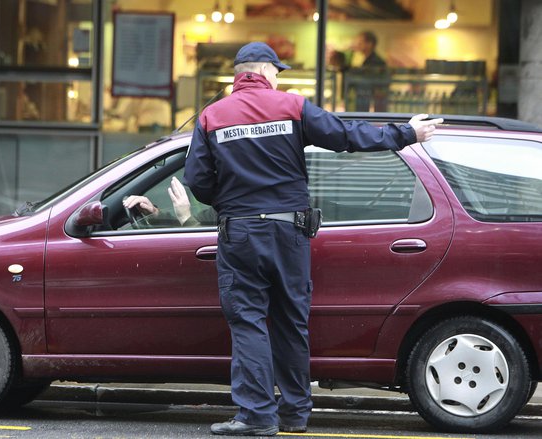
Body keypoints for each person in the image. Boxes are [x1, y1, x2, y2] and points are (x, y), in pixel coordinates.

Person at [183, 41, 442, 437]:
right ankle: (294, 414)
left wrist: (231, 203)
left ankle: (256, 416)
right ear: (267, 71)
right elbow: (345, 135)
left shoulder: (212, 117)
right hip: (290, 231)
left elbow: (198, 182)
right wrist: (405, 133)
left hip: (242, 233)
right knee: (290, 321)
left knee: (249, 322)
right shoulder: (292, 106)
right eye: (277, 72)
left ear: (239, 75)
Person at [123, 176, 215, 226]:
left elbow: (200, 242)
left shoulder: (227, 210)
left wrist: (185, 217)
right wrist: (154, 213)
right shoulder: (217, 211)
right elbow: (185, 230)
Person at [351, 31, 389, 112]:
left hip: (371, 102)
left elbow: (375, 85)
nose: (358, 45)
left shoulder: (376, 62)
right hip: (369, 101)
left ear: (369, 44)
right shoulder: (368, 60)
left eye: (360, 42)